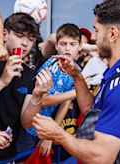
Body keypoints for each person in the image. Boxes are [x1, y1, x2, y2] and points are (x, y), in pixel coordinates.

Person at [32, 0, 120, 163]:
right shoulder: (117, 71)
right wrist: (77, 77)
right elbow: (90, 109)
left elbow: (102, 156)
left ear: (112, 34)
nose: (94, 37)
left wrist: (58, 134)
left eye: (96, 30)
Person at [0, 13, 53, 163]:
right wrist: (2, 81)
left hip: (8, 153)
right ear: (5, 34)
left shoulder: (30, 74)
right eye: (19, 36)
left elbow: (27, 123)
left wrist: (37, 96)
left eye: (31, 39)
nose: (25, 43)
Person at [24, 23, 82, 155]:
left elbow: (65, 103)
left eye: (72, 44)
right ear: (56, 46)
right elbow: (42, 100)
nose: (67, 49)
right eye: (63, 44)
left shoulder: (77, 70)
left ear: (79, 47)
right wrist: (73, 92)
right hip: (30, 125)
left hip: (46, 128)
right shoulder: (52, 65)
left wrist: (51, 134)